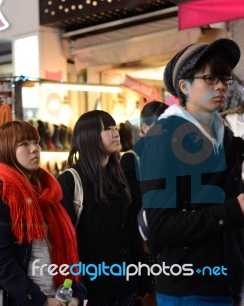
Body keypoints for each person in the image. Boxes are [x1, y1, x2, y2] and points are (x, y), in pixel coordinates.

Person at [135, 38, 244, 306]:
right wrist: (233, 210)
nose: (219, 86)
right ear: (183, 86)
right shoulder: (164, 138)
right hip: (188, 288)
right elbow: (160, 225)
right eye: (209, 78)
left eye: (224, 78)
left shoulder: (226, 138)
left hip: (227, 283)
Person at [0, 120, 86, 306]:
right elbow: (0, 261)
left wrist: (77, 295)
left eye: (36, 142)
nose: (35, 149)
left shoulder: (49, 195)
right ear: (6, 151)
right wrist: (41, 301)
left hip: (59, 298)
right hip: (20, 300)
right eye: (24, 144)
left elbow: (70, 251)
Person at [57, 110, 150, 306]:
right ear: (89, 136)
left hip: (122, 285)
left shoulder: (117, 177)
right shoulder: (70, 180)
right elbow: (62, 241)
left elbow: (130, 232)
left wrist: (141, 279)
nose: (115, 133)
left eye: (115, 127)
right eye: (107, 129)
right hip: (87, 287)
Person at [120, 101, 169, 306]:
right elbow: (132, 203)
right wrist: (141, 239)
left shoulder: (175, 158)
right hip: (145, 237)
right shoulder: (131, 159)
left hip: (171, 233)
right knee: (151, 292)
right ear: (142, 128)